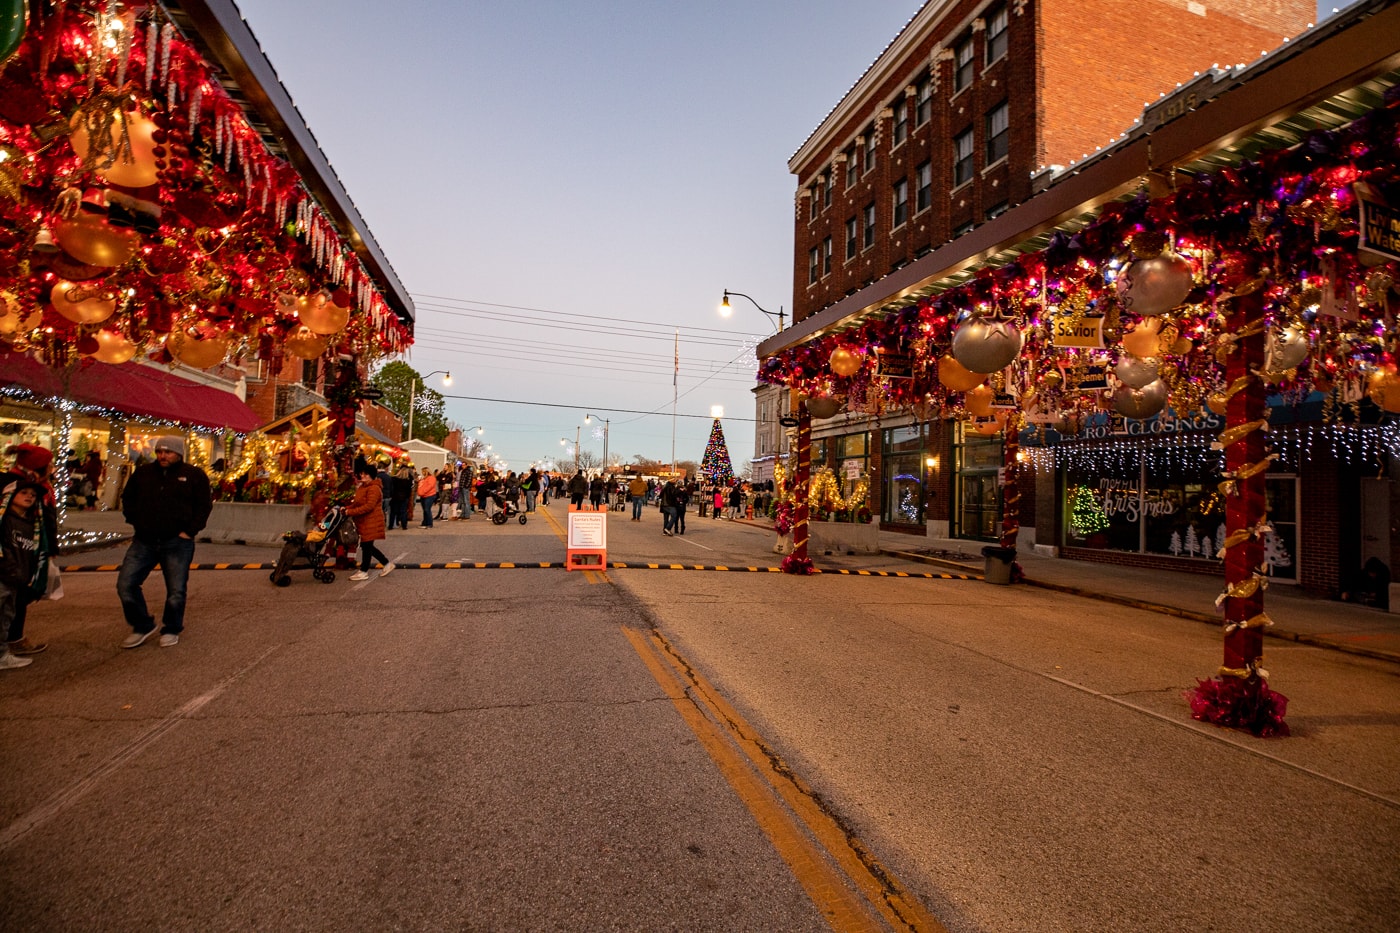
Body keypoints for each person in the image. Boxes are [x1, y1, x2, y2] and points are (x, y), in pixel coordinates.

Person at [117, 436, 212, 649]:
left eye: (168, 452)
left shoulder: (193, 475)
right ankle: (141, 624)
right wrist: (135, 520)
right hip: (145, 540)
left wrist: (189, 531)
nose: (163, 456)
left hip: (177, 542)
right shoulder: (143, 474)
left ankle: (171, 628)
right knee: (126, 583)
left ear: (179, 453)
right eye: (160, 451)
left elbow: (204, 505)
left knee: (176, 589)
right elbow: (128, 498)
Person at [4, 444, 57, 656]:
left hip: (31, 547)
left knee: (23, 591)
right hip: (16, 548)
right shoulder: (16, 485)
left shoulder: (39, 485)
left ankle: (12, 637)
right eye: (48, 464)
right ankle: (12, 639)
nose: (51, 467)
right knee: (16, 594)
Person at [0, 478, 46, 670]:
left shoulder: (31, 524)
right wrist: (10, 568)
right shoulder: (4, 520)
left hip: (16, 579)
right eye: (24, 493)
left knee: (6, 617)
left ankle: (2, 655)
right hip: (4, 576)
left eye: (33, 495)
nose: (29, 497)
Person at [345, 464, 394, 581]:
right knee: (367, 546)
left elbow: (369, 506)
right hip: (364, 521)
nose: (362, 475)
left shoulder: (374, 488)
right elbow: (358, 503)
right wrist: (347, 508)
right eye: (361, 473)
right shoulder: (363, 487)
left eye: (365, 474)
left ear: (371, 476)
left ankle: (364, 571)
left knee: (366, 546)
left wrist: (350, 512)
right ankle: (386, 564)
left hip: (371, 521)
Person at [390, 461, 413, 530]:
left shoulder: (394, 479)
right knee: (403, 511)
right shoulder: (408, 480)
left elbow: (392, 488)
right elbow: (409, 490)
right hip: (404, 497)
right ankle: (404, 525)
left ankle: (391, 525)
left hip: (395, 497)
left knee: (393, 512)